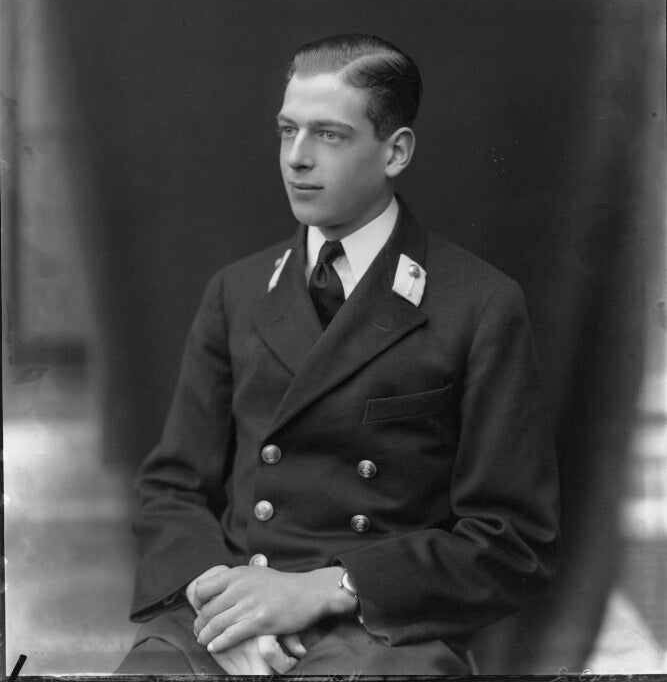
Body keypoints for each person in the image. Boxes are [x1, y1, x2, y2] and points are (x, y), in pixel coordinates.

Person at [116, 34, 560, 675]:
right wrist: (224, 605)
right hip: (223, 615)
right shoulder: (237, 291)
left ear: (395, 151)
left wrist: (330, 588)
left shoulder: (478, 303)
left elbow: (513, 542)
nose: (296, 158)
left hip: (379, 628)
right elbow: (172, 488)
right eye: (287, 131)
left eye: (329, 135)